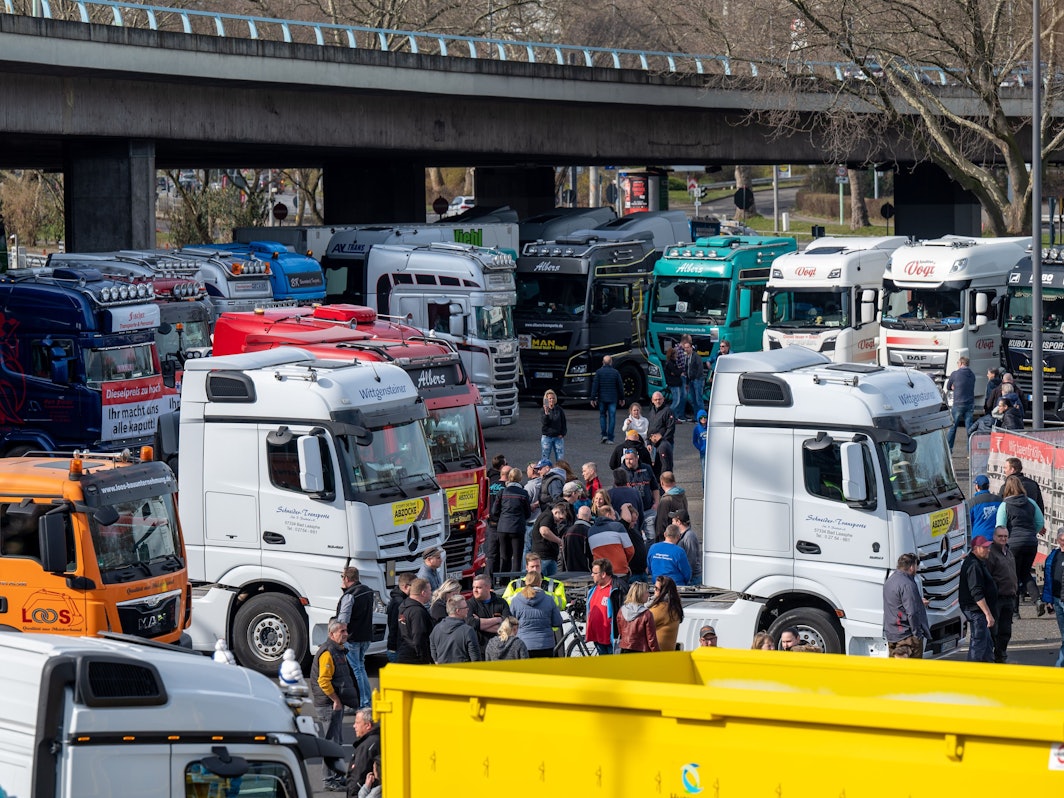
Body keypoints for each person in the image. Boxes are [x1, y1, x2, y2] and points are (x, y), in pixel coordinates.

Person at [310, 621, 359, 791]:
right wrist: (336, 700)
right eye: (341, 631)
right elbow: (323, 680)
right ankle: (329, 780)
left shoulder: (337, 649)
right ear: (331, 634)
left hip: (333, 703)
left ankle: (337, 777)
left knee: (336, 742)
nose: (346, 634)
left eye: (346, 630)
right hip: (329, 705)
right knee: (332, 743)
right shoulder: (328, 652)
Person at [995, 474, 1046, 617]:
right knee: (1025, 573)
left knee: (1013, 576)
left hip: (1013, 544)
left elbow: (1000, 527)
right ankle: (1037, 600)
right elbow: (1040, 522)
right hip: (1031, 542)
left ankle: (1015, 611)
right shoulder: (1030, 502)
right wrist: (1031, 532)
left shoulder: (1004, 505)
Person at [335, 566, 374, 710]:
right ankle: (365, 700)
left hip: (352, 638)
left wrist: (340, 635)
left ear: (346, 578)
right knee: (360, 667)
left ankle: (364, 702)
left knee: (357, 669)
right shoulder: (367, 591)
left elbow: (343, 618)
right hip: (366, 635)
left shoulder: (349, 595)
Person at [881, 552, 931, 658]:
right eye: (916, 566)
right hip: (907, 637)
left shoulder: (890, 581)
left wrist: (918, 602)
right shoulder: (908, 584)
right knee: (912, 672)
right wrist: (917, 634)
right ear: (912, 566)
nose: (917, 569)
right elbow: (912, 613)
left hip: (892, 634)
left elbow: (897, 603)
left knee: (896, 671)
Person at [960, 535, 997, 662]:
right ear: (976, 548)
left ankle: (988, 671)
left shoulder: (977, 562)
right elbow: (976, 593)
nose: (989, 549)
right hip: (976, 610)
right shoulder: (973, 565)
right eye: (985, 547)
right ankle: (973, 674)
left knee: (987, 643)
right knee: (978, 643)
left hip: (977, 610)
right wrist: (988, 614)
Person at [508, 570, 562, 657]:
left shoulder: (516, 600)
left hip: (523, 643)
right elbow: (557, 622)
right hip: (545, 644)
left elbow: (510, 623)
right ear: (540, 582)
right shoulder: (549, 599)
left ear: (525, 582)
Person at [987, 526, 1018, 663]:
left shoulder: (1009, 552)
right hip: (997, 599)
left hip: (1010, 597)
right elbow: (988, 577)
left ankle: (1001, 654)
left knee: (1006, 630)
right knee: (994, 630)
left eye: (1005, 536)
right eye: (1000, 536)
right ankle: (991, 655)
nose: (1003, 539)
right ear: (994, 537)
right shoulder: (991, 553)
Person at [493, 467, 531, 573]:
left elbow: (494, 511)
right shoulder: (523, 493)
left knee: (505, 555)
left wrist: (500, 519)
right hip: (517, 527)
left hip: (503, 527)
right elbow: (528, 512)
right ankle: (514, 581)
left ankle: (503, 581)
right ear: (520, 478)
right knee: (517, 557)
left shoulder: (502, 492)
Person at [501, 552, 567, 609]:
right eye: (532, 567)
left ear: (541, 566)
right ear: (527, 567)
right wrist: (521, 595)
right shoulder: (514, 584)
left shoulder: (556, 584)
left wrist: (540, 593)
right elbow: (504, 603)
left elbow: (562, 605)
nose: (535, 569)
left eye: (537, 566)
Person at [430, 593, 482, 663]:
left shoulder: (436, 629)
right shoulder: (468, 631)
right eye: (465, 607)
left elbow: (434, 656)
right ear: (458, 611)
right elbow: (476, 659)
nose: (468, 609)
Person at [587, 504, 635, 581]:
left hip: (601, 572)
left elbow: (592, 552)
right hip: (619, 571)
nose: (615, 517)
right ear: (608, 514)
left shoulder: (590, 531)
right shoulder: (618, 526)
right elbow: (630, 550)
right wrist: (624, 563)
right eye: (614, 515)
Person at [586, 558, 623, 655]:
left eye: (594, 573)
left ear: (603, 574)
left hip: (611, 640)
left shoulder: (617, 589)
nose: (592, 575)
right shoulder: (593, 589)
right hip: (597, 638)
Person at [467, 573, 512, 650]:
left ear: (488, 588)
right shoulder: (469, 604)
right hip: (479, 649)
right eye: (474, 587)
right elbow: (471, 624)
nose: (475, 590)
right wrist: (498, 620)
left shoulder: (501, 603)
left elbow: (508, 627)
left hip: (500, 648)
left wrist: (480, 623)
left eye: (478, 587)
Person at [1040, 529, 1064, 667]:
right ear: (1057, 541)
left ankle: (1059, 665)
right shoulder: (1052, 556)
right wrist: (1048, 600)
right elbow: (1048, 579)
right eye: (1062, 540)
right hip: (1056, 600)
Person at [396, 578, 433, 664]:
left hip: (403, 655)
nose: (431, 593)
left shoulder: (403, 607)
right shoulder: (418, 612)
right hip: (415, 660)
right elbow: (419, 637)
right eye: (430, 590)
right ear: (423, 593)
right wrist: (425, 660)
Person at [590, 354, 625, 444]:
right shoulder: (615, 372)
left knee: (602, 416)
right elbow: (620, 386)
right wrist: (622, 398)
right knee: (612, 417)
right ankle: (610, 438)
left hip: (602, 398)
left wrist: (593, 398)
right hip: (612, 398)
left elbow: (595, 386)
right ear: (611, 362)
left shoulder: (599, 372)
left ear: (603, 362)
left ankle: (604, 435)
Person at [346, 708, 380, 797]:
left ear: (368, 725)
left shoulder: (367, 746)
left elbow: (358, 776)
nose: (354, 726)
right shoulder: (378, 739)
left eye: (357, 722)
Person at [617, 582, 660, 653]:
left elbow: (620, 632)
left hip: (624, 649)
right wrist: (657, 654)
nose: (649, 595)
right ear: (640, 595)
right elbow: (651, 639)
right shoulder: (646, 614)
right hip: (641, 651)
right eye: (647, 592)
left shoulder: (621, 611)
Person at [529, 501, 569, 577]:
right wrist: (559, 541)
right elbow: (544, 531)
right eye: (560, 518)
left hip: (548, 556)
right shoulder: (548, 516)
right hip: (544, 557)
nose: (560, 521)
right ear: (556, 512)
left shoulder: (548, 516)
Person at [945, 355, 975, 449]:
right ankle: (970, 451)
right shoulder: (972, 374)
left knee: (953, 427)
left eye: (958, 363)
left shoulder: (955, 374)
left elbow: (948, 386)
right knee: (969, 428)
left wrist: (954, 387)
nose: (957, 365)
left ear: (961, 363)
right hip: (970, 403)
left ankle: (949, 449)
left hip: (958, 403)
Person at [648, 575, 684, 652]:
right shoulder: (674, 607)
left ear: (664, 591)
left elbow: (642, 623)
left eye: (657, 589)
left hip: (656, 655)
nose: (654, 591)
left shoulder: (662, 608)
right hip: (667, 654)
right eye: (654, 588)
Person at [385, 572, 414, 663]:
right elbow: (395, 626)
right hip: (397, 648)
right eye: (414, 586)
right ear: (405, 586)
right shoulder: (399, 603)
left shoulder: (401, 600)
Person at [670, 509, 702, 586]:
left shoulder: (689, 536)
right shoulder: (682, 535)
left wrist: (687, 577)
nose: (672, 523)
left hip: (693, 578)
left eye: (673, 521)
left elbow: (691, 560)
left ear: (679, 522)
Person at [654, 471, 688, 542]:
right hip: (681, 534)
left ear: (662, 483)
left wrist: (659, 539)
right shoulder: (682, 495)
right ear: (674, 481)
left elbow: (661, 522)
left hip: (669, 538)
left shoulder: (666, 500)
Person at [968, 475, 1002, 542]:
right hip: (996, 538)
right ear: (988, 486)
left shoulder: (972, 503)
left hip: (978, 540)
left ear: (977, 486)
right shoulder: (999, 500)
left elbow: (968, 523)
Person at [562, 505, 593, 572]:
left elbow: (562, 554)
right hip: (585, 572)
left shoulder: (567, 531)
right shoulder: (590, 532)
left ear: (578, 516)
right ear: (590, 516)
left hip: (568, 571)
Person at [540, 389, 567, 462]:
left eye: (553, 398)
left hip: (558, 437)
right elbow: (544, 422)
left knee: (560, 458)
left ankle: (559, 471)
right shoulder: (543, 410)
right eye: (549, 398)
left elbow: (563, 422)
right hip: (547, 437)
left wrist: (563, 433)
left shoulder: (559, 410)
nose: (551, 400)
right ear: (546, 399)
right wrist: (546, 413)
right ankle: (544, 471)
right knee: (545, 457)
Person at [684, 339, 705, 415]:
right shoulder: (686, 357)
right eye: (685, 348)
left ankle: (702, 416)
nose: (686, 349)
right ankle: (696, 416)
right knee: (693, 400)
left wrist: (696, 377)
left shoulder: (696, 356)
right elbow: (686, 369)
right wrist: (687, 382)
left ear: (691, 348)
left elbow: (700, 368)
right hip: (690, 381)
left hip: (697, 380)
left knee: (698, 399)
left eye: (688, 347)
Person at [664, 346, 685, 418]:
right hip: (674, 384)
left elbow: (675, 372)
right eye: (676, 354)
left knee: (676, 400)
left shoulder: (671, 363)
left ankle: (674, 417)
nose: (677, 356)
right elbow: (676, 372)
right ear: (672, 355)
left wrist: (676, 372)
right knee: (676, 401)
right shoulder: (670, 364)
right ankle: (668, 414)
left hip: (674, 383)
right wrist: (679, 371)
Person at [692, 409, 708, 482]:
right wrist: (700, 448)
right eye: (701, 417)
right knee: (705, 472)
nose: (703, 419)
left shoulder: (710, 427)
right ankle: (704, 489)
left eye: (705, 417)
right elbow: (694, 441)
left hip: (712, 453)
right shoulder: (697, 429)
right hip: (703, 453)